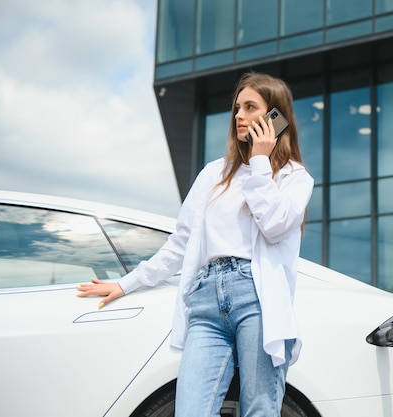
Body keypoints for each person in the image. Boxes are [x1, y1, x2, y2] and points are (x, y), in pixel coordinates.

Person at [77, 72, 314, 417]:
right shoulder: (214, 174)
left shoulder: (294, 177)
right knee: (190, 410)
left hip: (257, 297)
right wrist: (126, 283)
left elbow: (275, 225)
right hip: (206, 299)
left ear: (275, 117)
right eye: (236, 108)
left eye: (251, 107)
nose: (239, 116)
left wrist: (261, 161)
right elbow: (181, 243)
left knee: (260, 410)